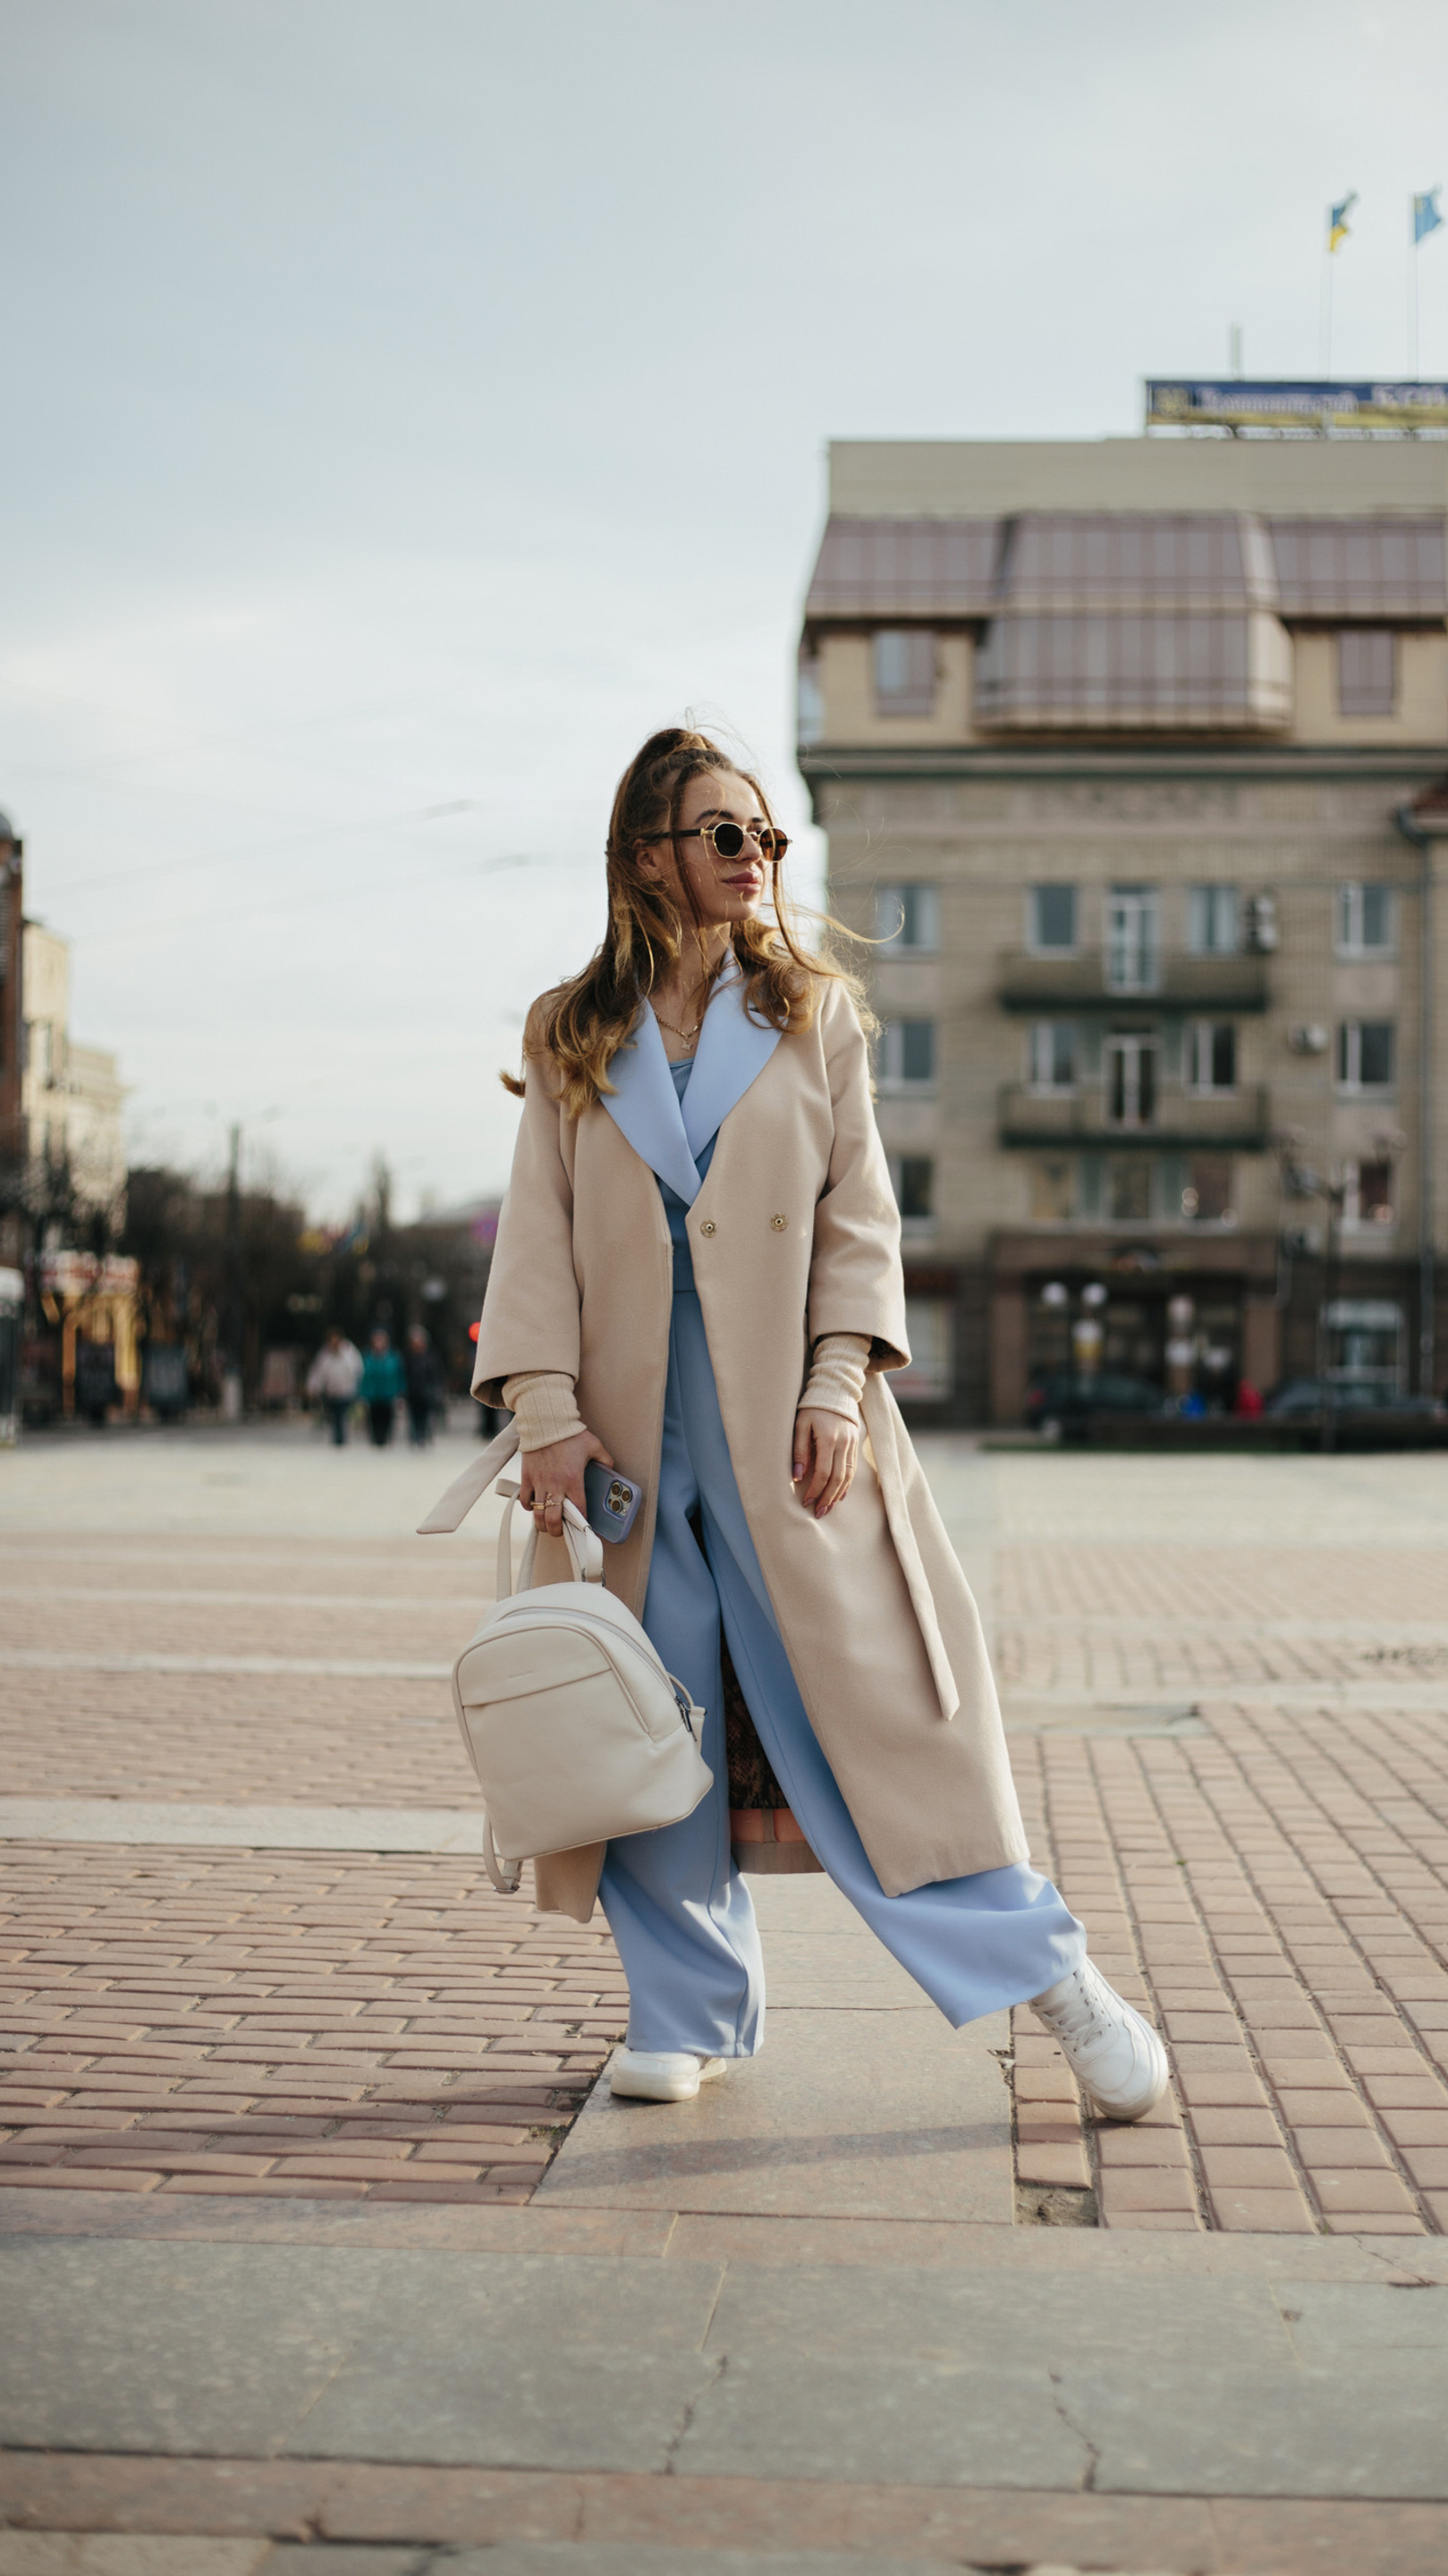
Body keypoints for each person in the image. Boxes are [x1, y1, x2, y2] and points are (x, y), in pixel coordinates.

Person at [472, 726, 1167, 2123]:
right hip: (625, 1447)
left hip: (794, 1437)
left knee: (886, 1731)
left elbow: (861, 1221)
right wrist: (543, 1413)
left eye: (767, 838)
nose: (756, 862)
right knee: (649, 1727)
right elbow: (535, 1239)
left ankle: (1059, 1980)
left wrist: (838, 1381)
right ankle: (685, 2006)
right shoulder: (572, 1030)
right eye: (726, 835)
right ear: (648, 853)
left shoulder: (813, 1014)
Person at [304, 1326, 362, 1445]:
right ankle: (337, 1440)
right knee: (334, 1418)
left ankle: (342, 1440)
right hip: (331, 1392)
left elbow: (357, 1370)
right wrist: (312, 1387)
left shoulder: (350, 1352)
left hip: (346, 1391)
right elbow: (318, 1372)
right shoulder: (324, 1354)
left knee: (342, 1417)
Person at [360, 1327, 404, 1448]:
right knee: (373, 1424)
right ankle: (376, 1444)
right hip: (372, 1397)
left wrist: (401, 1393)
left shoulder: (393, 1358)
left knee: (387, 1423)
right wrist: (362, 1395)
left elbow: (399, 1376)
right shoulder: (367, 1358)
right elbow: (363, 1378)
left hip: (389, 1396)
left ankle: (386, 1444)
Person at [404, 1324, 444, 1449]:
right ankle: (415, 1439)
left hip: (427, 1393)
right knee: (414, 1418)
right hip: (413, 1394)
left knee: (428, 1417)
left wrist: (437, 1390)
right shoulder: (408, 1358)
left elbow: (437, 1375)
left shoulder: (432, 1357)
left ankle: (427, 1438)